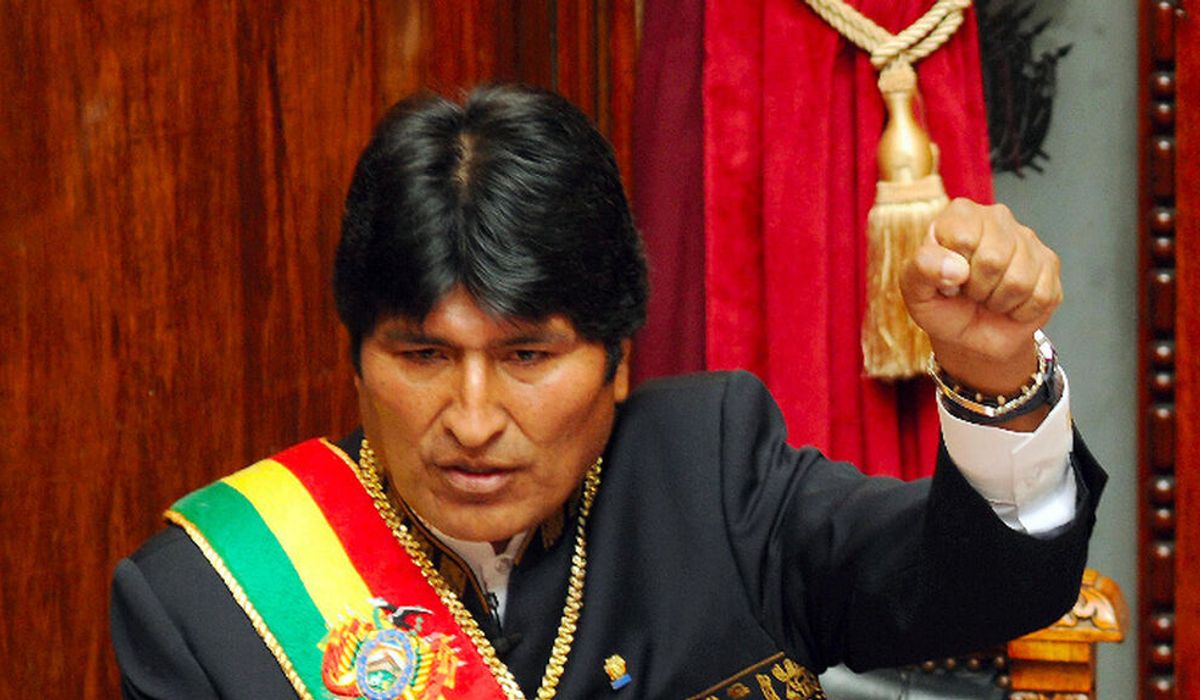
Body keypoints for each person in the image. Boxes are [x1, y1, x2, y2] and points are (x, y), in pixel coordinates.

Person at [111, 84, 1104, 700]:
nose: (471, 420)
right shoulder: (210, 600)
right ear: (357, 358)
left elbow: (990, 589)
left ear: (619, 358)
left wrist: (996, 376)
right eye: (421, 355)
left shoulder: (712, 477)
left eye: (527, 356)